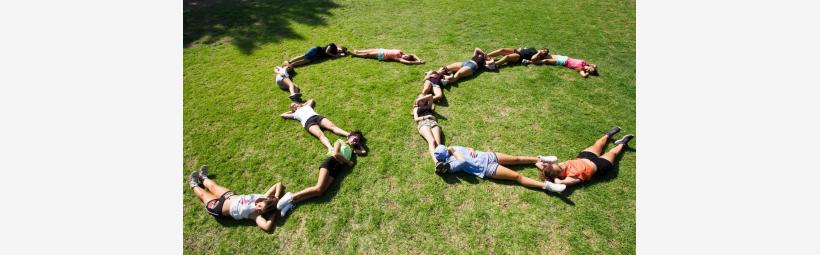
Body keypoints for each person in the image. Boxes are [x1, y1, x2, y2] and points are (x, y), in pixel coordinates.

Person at [275, 131, 364, 216]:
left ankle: (292, 203)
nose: (354, 141)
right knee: (318, 187)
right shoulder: (340, 142)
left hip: (337, 169)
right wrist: (348, 162)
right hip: (331, 162)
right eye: (354, 138)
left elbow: (363, 152)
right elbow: (336, 153)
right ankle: (291, 196)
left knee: (320, 192)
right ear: (349, 136)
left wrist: (359, 144)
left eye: (356, 141)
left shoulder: (352, 151)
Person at [188, 165, 284, 233]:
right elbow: (278, 184)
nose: (257, 209)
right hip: (229, 195)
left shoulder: (254, 215)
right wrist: (276, 198)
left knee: (203, 195)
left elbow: (267, 226)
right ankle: (202, 177)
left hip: (219, 208)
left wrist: (274, 213)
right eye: (260, 206)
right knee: (213, 186)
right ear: (263, 201)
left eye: (260, 211)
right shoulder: (263, 197)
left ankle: (193, 184)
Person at [433, 145, 566, 193]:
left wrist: (471, 149)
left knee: (516, 159)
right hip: (486, 168)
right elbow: (462, 160)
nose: (448, 148)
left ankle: (540, 159)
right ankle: (547, 186)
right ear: (445, 156)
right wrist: (453, 152)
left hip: (487, 155)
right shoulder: (451, 164)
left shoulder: (452, 147)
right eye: (446, 150)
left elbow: (467, 149)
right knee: (517, 177)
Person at [537, 127, 634, 186]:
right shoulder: (571, 178)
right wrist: (556, 180)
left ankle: (608, 135)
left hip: (585, 157)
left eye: (558, 164)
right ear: (559, 175)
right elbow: (560, 183)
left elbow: (539, 164)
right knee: (613, 153)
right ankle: (622, 143)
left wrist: (544, 164)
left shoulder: (555, 169)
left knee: (597, 145)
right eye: (560, 167)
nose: (562, 165)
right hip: (599, 166)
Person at [280, 99, 365, 154]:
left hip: (317, 117)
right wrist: (292, 111)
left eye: (294, 104)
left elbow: (311, 100)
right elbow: (282, 115)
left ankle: (349, 135)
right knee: (320, 135)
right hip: (308, 122)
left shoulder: (306, 106)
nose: (294, 106)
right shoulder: (294, 114)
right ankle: (330, 148)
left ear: (298, 103)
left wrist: (302, 105)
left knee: (333, 127)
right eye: (292, 106)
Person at [413, 94, 442, 162]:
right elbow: (416, 119)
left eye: (424, 98)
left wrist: (420, 99)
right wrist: (427, 116)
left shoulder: (428, 106)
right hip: (423, 123)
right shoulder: (416, 109)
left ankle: (442, 159)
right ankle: (437, 162)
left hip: (433, 123)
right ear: (417, 101)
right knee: (432, 141)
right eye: (421, 99)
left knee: (438, 143)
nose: (423, 100)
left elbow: (431, 96)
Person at [283, 43, 347, 69]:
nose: (340, 51)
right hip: (316, 50)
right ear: (339, 47)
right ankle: (289, 62)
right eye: (341, 49)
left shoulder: (336, 53)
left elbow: (343, 54)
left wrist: (344, 53)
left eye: (341, 51)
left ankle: (292, 65)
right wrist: (335, 55)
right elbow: (326, 51)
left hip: (318, 56)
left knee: (306, 61)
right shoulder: (333, 45)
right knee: (304, 56)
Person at [533, 52, 599, 78]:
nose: (589, 69)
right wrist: (593, 67)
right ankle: (530, 54)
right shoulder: (585, 63)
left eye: (590, 71)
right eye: (591, 69)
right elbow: (595, 65)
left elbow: (583, 75)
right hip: (565, 57)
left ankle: (530, 62)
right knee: (547, 55)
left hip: (563, 62)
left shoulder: (581, 69)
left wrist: (587, 73)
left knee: (546, 61)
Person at [350, 48, 424, 65]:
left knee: (368, 55)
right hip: (382, 50)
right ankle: (358, 51)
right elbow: (413, 54)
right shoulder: (401, 52)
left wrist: (418, 62)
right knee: (369, 50)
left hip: (382, 55)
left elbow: (409, 63)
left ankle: (355, 55)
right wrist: (419, 59)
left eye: (406, 58)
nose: (405, 57)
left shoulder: (399, 58)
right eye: (406, 56)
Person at [485, 47, 550, 66]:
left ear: (544, 55)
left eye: (545, 52)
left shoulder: (538, 56)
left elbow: (533, 59)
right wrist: (521, 49)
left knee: (507, 57)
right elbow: (526, 50)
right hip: (518, 51)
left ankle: (494, 64)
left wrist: (538, 53)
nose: (544, 51)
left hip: (519, 56)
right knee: (502, 50)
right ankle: (486, 55)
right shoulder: (534, 49)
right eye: (544, 49)